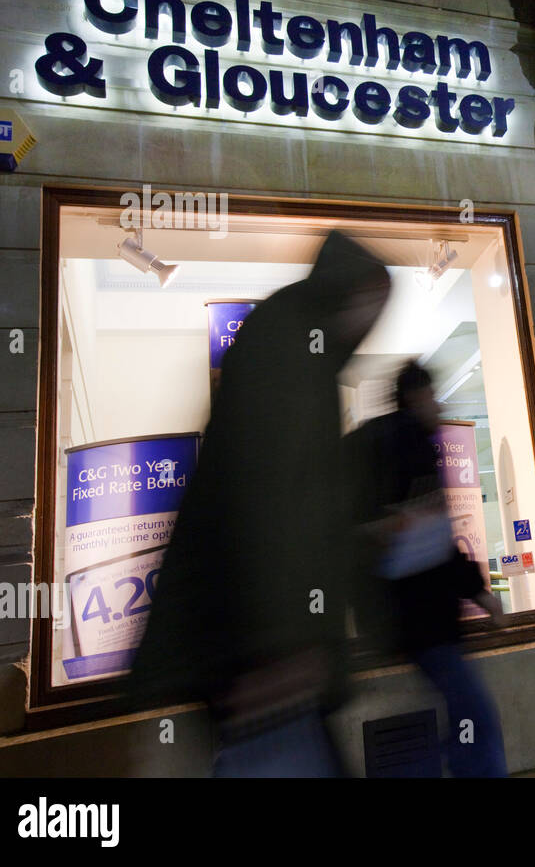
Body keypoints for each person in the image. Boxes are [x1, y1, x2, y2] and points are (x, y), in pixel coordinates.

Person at [128, 231, 392, 777]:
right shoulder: (293, 347)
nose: (374, 321)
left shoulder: (297, 345)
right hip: (268, 667)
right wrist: (282, 645)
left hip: (267, 658)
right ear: (352, 291)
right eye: (375, 301)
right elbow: (270, 495)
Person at [348, 361, 508, 778]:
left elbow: (435, 539)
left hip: (414, 619)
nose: (438, 405)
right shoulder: (403, 444)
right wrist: (479, 594)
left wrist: (478, 593)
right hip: (421, 618)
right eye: (432, 395)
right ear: (416, 397)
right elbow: (432, 538)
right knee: (474, 718)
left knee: (464, 721)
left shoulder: (400, 443)